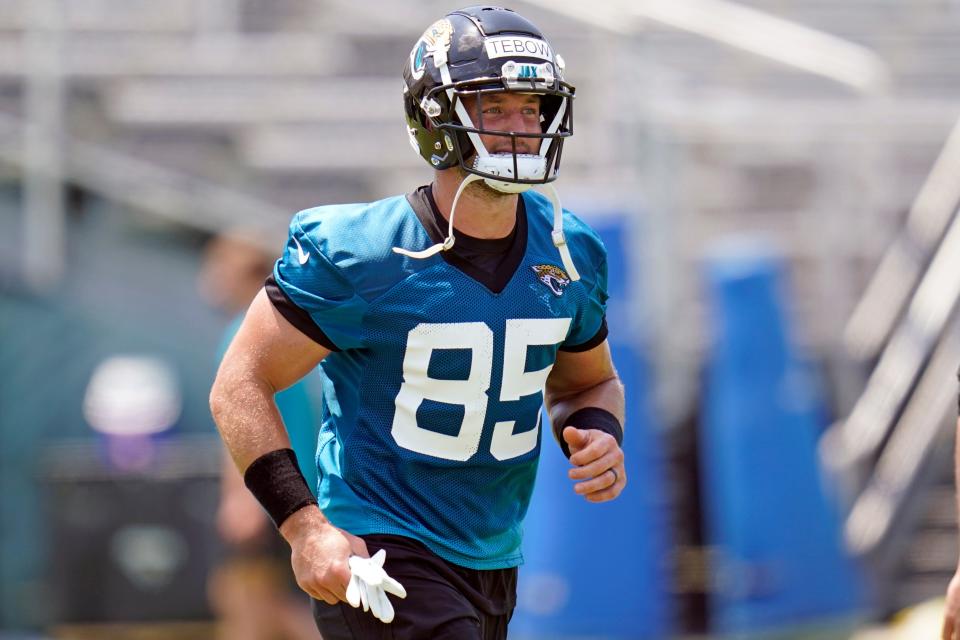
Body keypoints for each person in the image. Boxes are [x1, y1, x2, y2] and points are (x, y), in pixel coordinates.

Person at [209, 6, 627, 639]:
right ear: (437, 119)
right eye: (495, 109)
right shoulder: (364, 251)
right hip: (381, 552)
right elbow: (239, 383)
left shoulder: (570, 249)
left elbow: (588, 384)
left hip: (493, 556)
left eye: (531, 108)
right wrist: (305, 527)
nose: (521, 128)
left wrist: (597, 432)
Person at [198, 232, 322, 640]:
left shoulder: (247, 334)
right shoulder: (286, 331)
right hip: (298, 485)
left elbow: (242, 420)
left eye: (219, 267)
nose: (210, 278)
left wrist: (240, 496)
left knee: (250, 596)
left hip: (271, 490)